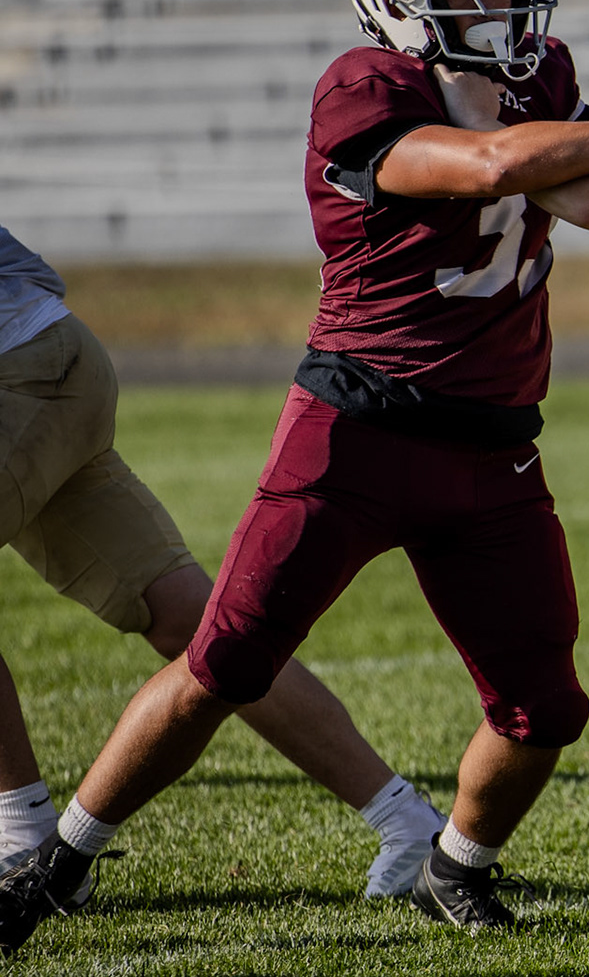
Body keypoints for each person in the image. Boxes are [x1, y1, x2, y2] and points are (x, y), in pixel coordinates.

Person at [0, 0, 589, 954]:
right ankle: (58, 863)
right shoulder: (364, 88)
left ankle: (453, 865)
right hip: (356, 431)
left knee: (545, 707)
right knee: (224, 663)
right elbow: (491, 166)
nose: (500, 2)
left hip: (493, 449)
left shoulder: (543, 81)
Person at [0, 226, 443, 898]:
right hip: (49, 361)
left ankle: (24, 837)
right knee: (206, 632)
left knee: (213, 635)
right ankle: (408, 822)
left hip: (23, 371)